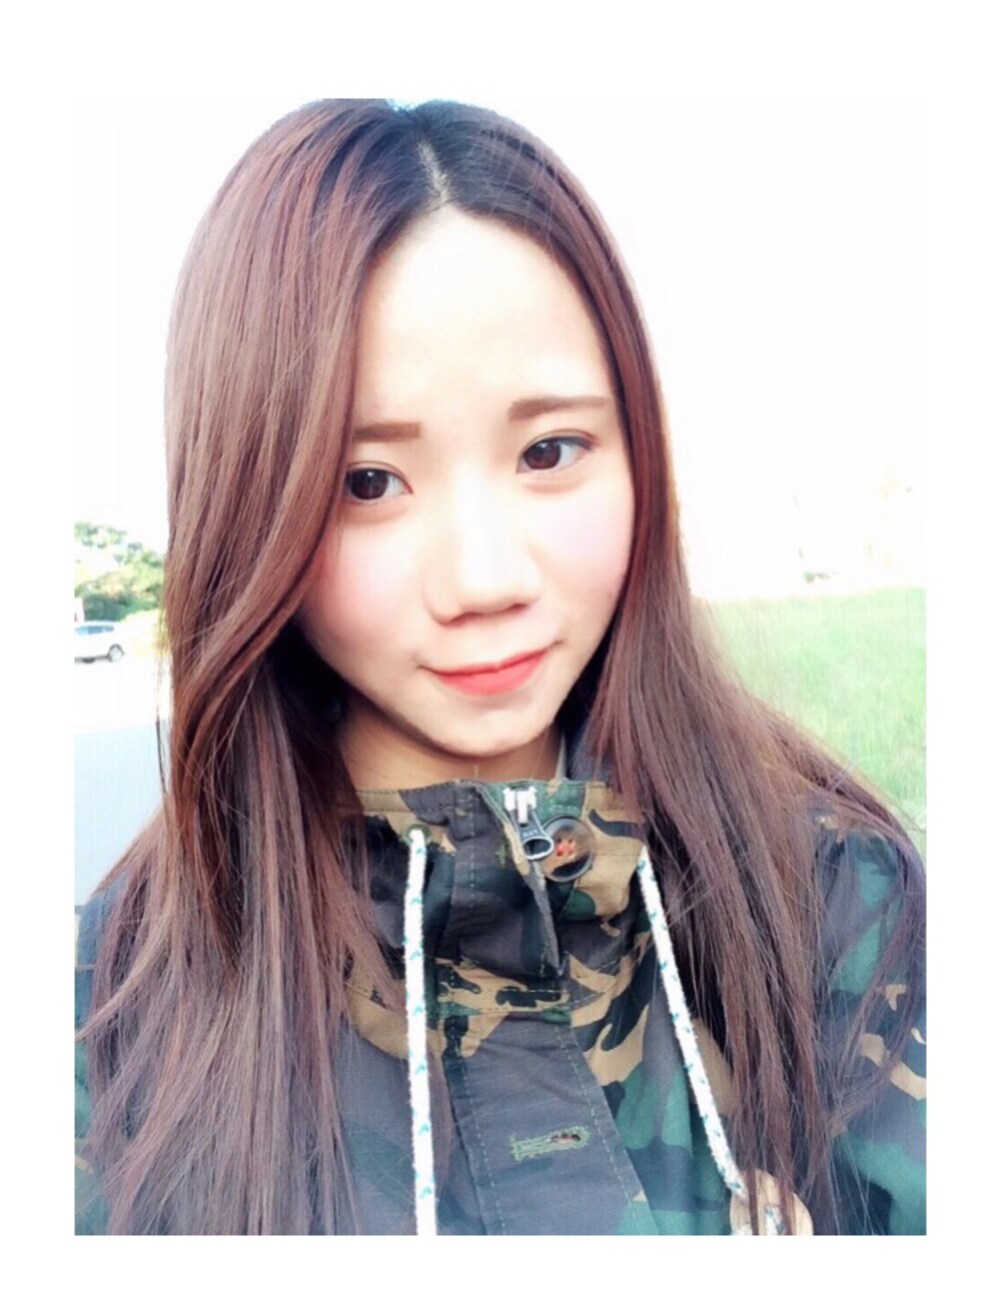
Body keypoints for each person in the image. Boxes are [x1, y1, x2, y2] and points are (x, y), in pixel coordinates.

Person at [75, 98, 925, 1236]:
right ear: (249, 502)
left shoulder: (836, 893)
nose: (483, 578)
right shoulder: (113, 1007)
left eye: (549, 450)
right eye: (366, 482)